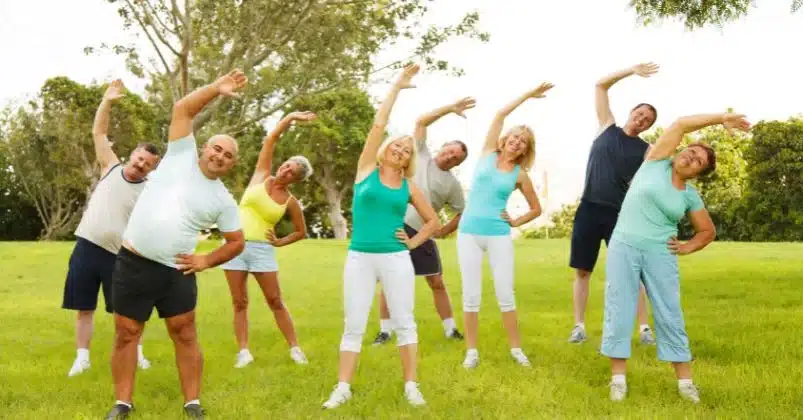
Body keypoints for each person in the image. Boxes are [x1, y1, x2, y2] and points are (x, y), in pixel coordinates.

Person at [104, 70, 248, 420]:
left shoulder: (224, 200)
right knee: (126, 333)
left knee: (184, 333)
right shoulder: (181, 153)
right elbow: (183, 110)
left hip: (177, 272)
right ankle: (123, 403)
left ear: (231, 165)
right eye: (217, 147)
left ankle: (192, 403)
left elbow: (237, 242)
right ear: (205, 147)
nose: (219, 156)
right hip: (134, 262)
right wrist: (216, 88)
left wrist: (205, 261)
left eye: (228, 155)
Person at [601, 111, 750, 403]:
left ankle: (685, 384)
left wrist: (686, 246)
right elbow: (681, 124)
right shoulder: (655, 162)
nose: (690, 158)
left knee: (670, 314)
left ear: (698, 174)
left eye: (698, 162)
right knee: (619, 307)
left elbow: (707, 231)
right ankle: (617, 379)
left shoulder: (690, 196)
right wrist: (722, 118)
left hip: (660, 253)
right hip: (624, 246)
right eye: (690, 152)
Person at [322, 63, 440, 409]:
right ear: (386, 149)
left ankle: (411, 385)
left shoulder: (408, 186)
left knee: (405, 322)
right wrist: (398, 87)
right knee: (354, 323)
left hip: (395, 258)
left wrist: (414, 242)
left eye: (407, 150)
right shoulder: (365, 171)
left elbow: (432, 221)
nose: (401, 150)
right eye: (397, 146)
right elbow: (378, 123)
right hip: (359, 257)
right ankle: (343, 387)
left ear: (407, 161)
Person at [61, 79, 161, 377]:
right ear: (133, 154)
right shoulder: (110, 167)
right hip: (86, 248)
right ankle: (82, 358)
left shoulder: (149, 191)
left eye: (148, 164)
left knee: (126, 313)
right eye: (140, 158)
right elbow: (99, 132)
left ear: (152, 169)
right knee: (83, 307)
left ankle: (137, 353)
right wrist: (107, 101)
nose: (141, 164)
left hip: (119, 257)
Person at [457, 82, 548, 369]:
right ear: (505, 138)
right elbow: (499, 114)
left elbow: (536, 208)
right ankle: (471, 352)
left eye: (523, 141)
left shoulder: (520, 175)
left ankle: (516, 349)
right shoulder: (486, 153)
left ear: (525, 150)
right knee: (471, 294)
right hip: (469, 232)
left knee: (505, 293)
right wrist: (528, 94)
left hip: (498, 234)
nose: (517, 142)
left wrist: (517, 220)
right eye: (514, 136)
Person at [569, 62, 661, 345]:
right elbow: (600, 85)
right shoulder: (606, 127)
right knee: (583, 270)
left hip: (619, 214)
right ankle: (579, 327)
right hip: (588, 209)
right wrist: (632, 71)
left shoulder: (647, 150)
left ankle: (644, 329)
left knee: (631, 271)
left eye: (648, 119)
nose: (642, 119)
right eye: (640, 113)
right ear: (632, 112)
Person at [371, 96, 474, 345]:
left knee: (436, 281)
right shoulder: (421, 153)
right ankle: (385, 331)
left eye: (456, 158)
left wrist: (445, 231)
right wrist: (449, 107)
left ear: (458, 163)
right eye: (450, 151)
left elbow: (462, 212)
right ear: (443, 147)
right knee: (389, 279)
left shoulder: (452, 185)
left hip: (423, 232)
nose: (450, 157)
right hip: (396, 226)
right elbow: (421, 121)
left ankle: (450, 330)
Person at [221, 110, 317, 368]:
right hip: (233, 247)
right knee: (239, 302)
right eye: (286, 165)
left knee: (275, 300)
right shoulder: (261, 175)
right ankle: (243, 352)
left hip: (262, 250)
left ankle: (295, 349)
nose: (285, 171)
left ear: (296, 180)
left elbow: (301, 232)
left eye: (292, 173)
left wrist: (279, 242)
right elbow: (271, 139)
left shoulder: (290, 201)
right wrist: (292, 118)